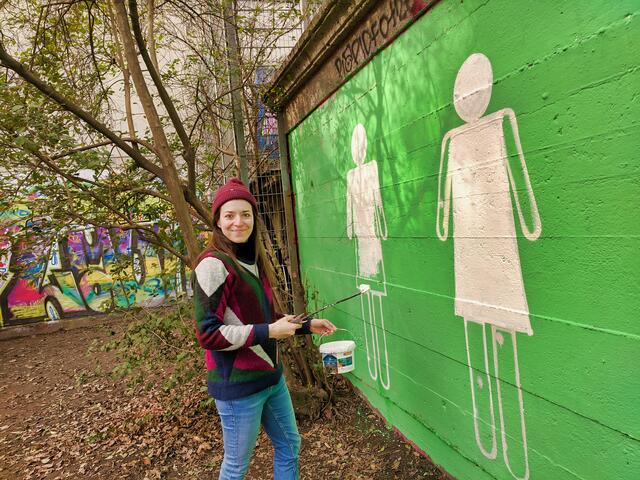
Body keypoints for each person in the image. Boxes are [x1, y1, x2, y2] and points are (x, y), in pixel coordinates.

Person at [193, 178, 336, 480]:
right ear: (217, 220)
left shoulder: (254, 260)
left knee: (289, 446)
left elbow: (268, 317)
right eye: (229, 215)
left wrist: (307, 325)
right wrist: (269, 332)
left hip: (272, 380)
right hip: (238, 387)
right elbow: (209, 334)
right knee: (236, 468)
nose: (238, 222)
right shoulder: (212, 265)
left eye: (245, 214)